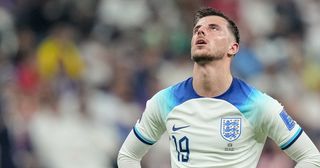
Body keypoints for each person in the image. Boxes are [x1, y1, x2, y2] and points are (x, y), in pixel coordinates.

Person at [117, 7, 320, 168]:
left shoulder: (259, 104)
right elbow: (127, 156)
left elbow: (311, 158)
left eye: (214, 28)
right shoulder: (164, 101)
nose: (201, 31)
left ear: (233, 47)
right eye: (197, 29)